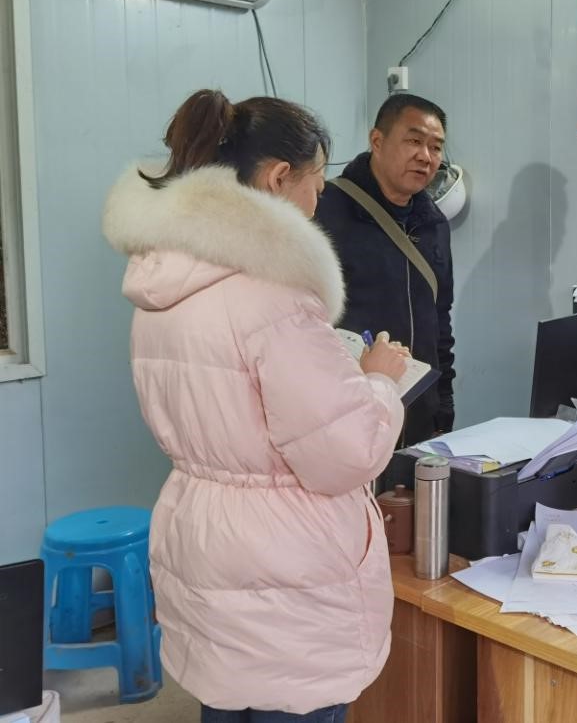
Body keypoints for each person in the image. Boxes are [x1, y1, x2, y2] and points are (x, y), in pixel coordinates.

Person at [103, 90, 410, 722]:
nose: (317, 204)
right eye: (316, 186)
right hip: (285, 563)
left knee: (228, 702)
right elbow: (345, 453)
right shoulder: (274, 295)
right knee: (292, 703)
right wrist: (378, 382)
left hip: (202, 533)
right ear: (278, 178)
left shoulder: (164, 280)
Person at [315, 93, 456, 447]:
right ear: (377, 141)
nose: (426, 157)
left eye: (436, 147)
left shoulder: (434, 223)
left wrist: (443, 410)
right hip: (348, 414)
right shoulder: (326, 211)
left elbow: (440, 322)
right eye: (414, 141)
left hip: (418, 417)